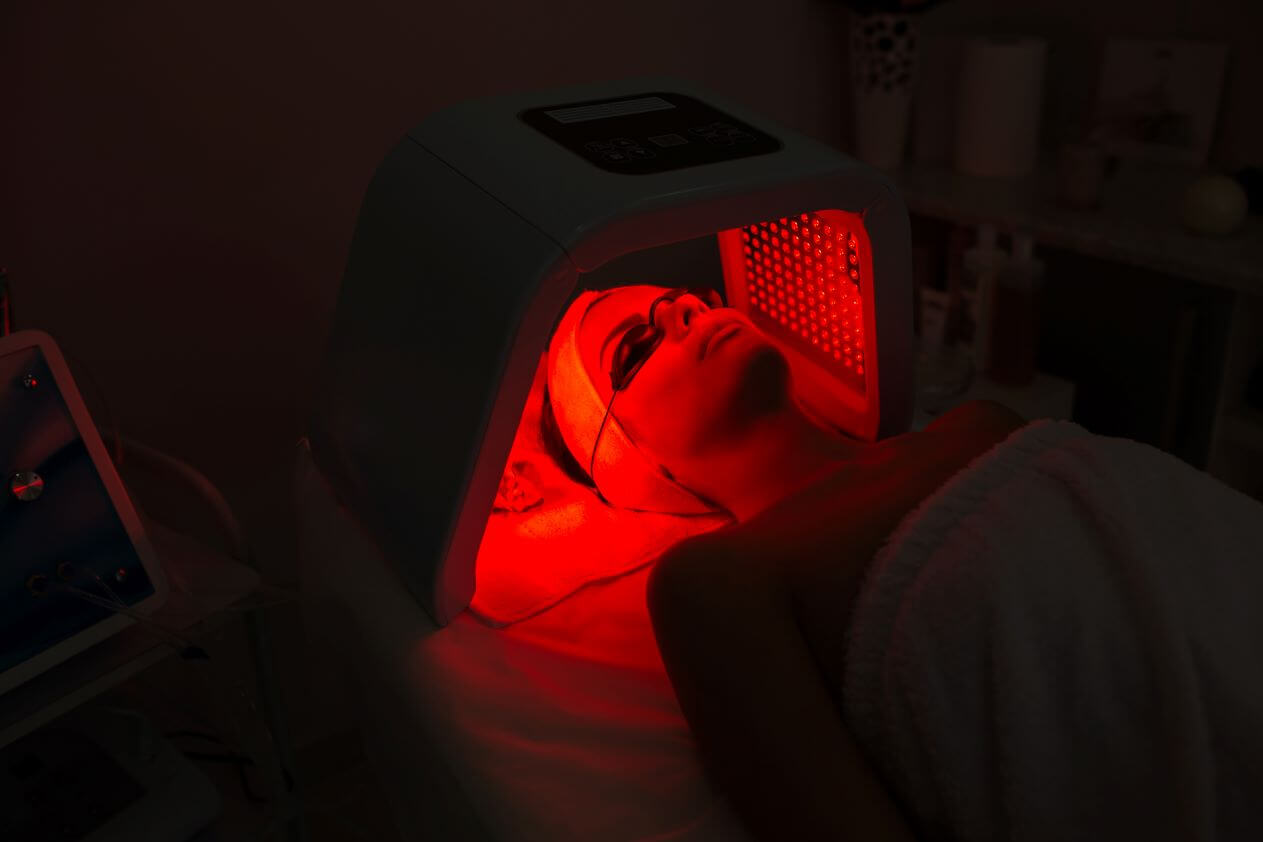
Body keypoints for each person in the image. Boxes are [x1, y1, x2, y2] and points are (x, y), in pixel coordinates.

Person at [545, 284, 1263, 841]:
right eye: (635, 347)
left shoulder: (975, 423)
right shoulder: (717, 581)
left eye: (691, 304)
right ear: (630, 463)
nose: (690, 317)